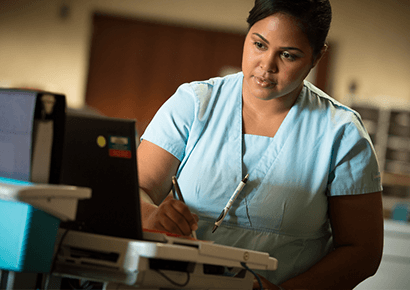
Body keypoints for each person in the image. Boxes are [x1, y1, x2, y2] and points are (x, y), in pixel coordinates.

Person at [137, 0, 384, 289]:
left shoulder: (341, 134)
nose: (266, 66)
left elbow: (362, 252)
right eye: (259, 45)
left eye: (288, 55)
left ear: (317, 56)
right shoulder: (193, 104)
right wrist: (153, 214)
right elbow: (136, 189)